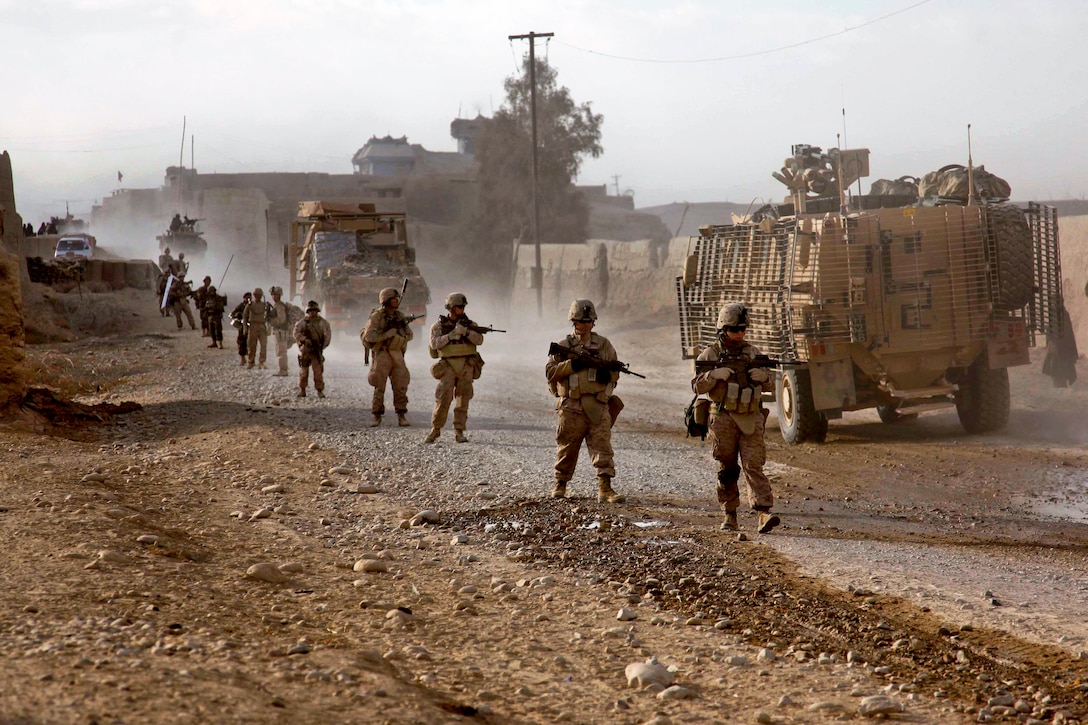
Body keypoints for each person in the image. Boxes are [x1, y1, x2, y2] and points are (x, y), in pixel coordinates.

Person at [691, 302, 780, 533]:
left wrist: (764, 377)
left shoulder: (752, 352)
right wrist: (713, 375)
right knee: (727, 467)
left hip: (751, 417)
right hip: (723, 418)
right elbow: (697, 386)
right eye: (734, 329)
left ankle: (763, 513)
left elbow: (772, 381)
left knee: (754, 465)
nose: (739, 334)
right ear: (723, 329)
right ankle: (730, 514)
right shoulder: (711, 354)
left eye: (742, 329)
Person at [545, 299, 625, 504]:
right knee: (567, 447)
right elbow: (551, 373)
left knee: (602, 447)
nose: (586, 325)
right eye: (582, 321)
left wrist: (609, 374)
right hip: (571, 406)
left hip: (597, 405)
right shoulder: (563, 346)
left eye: (589, 321)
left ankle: (605, 488)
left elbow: (615, 375)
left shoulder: (604, 345)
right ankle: (560, 485)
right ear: (573, 321)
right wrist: (572, 365)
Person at [424, 292, 484, 443]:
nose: (462, 309)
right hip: (448, 366)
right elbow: (434, 344)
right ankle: (436, 429)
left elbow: (479, 340)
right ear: (451, 307)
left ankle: (459, 431)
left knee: (463, 400)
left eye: (463, 306)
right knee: (443, 399)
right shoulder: (438, 326)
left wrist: (466, 332)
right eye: (459, 307)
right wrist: (450, 336)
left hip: (466, 365)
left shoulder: (470, 324)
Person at [361, 287, 413, 427]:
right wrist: (386, 335)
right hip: (382, 354)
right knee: (379, 385)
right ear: (386, 301)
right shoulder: (377, 316)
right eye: (394, 299)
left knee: (400, 385)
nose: (397, 301)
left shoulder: (399, 316)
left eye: (397, 299)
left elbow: (410, 335)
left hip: (397, 354)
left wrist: (401, 332)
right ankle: (377, 416)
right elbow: (369, 336)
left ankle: (401, 415)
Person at [294, 300, 331, 398]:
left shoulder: (322, 323)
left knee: (318, 372)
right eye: (311, 310)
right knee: (303, 372)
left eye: (314, 310)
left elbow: (327, 336)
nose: (312, 312)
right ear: (307, 311)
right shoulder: (302, 322)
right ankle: (302, 390)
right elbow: (296, 333)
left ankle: (319, 390)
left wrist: (321, 347)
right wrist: (304, 340)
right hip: (305, 351)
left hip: (316, 351)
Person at [242, 287, 271, 369]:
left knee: (263, 345)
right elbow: (244, 315)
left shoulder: (264, 305)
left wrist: (269, 327)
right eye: (256, 295)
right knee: (251, 345)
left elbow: (269, 317)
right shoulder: (250, 304)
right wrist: (245, 327)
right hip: (253, 325)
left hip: (262, 325)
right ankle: (251, 361)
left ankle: (262, 362)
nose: (258, 296)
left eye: (259, 295)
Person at [268, 286, 292, 377]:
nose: (273, 297)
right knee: (281, 350)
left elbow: (281, 319)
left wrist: (271, 321)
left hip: (281, 331)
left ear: (279, 295)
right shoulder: (277, 305)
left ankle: (283, 370)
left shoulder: (279, 306)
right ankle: (283, 368)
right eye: (273, 295)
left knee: (281, 351)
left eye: (275, 295)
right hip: (280, 331)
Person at [230, 292, 252, 366]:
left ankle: (251, 359)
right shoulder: (241, 305)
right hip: (242, 326)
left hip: (250, 326)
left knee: (250, 343)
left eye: (250, 297)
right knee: (241, 342)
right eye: (247, 297)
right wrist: (236, 315)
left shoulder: (252, 305)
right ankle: (243, 359)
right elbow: (233, 312)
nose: (248, 299)